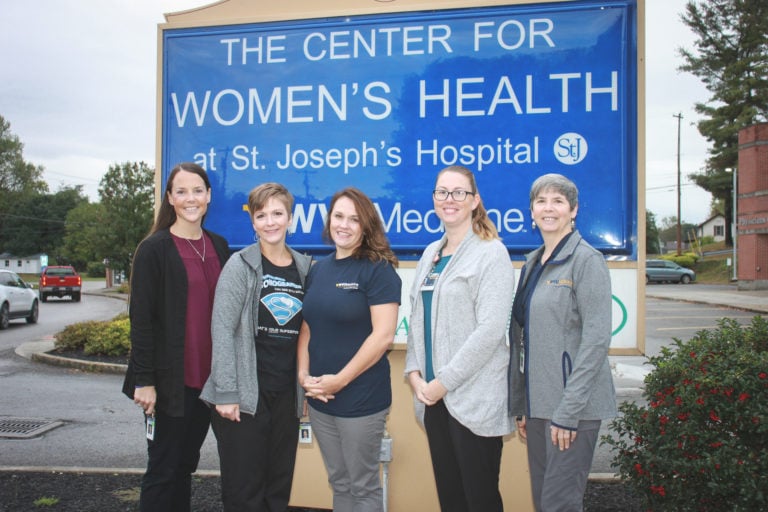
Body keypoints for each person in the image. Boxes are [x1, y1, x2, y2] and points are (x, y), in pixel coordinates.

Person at [405, 165, 515, 512]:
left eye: (458, 193)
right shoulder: (429, 255)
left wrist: (442, 383)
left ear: (475, 201)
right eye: (442, 192)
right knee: (451, 499)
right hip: (433, 401)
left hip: (473, 400)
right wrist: (414, 375)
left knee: (479, 500)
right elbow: (416, 320)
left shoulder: (491, 252)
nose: (448, 200)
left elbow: (491, 331)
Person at [122, 162, 230, 512]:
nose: (190, 198)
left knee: (185, 467)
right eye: (181, 191)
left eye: (197, 190)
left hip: (209, 383)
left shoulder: (218, 246)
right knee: (164, 471)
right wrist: (144, 381)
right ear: (169, 197)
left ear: (209, 195)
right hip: (170, 385)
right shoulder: (154, 249)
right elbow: (141, 321)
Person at [200, 183, 312, 511]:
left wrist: (304, 392)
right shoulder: (240, 265)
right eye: (261, 215)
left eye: (278, 213)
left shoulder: (305, 269)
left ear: (290, 218)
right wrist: (226, 393)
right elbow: (221, 329)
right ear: (253, 222)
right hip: (244, 398)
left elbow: (309, 332)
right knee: (244, 493)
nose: (270, 222)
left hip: (285, 397)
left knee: (279, 490)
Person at [508, 173, 616, 512]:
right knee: (544, 502)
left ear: (573, 210)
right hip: (538, 408)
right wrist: (523, 404)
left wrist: (568, 412)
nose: (548, 208)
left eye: (558, 201)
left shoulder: (587, 260)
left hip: (572, 410)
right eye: (541, 201)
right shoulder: (532, 263)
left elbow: (596, 340)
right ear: (531, 211)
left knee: (560, 504)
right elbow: (524, 338)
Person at [297, 187, 401, 512]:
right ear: (329, 221)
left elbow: (382, 337)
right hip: (321, 400)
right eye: (339, 216)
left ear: (366, 225)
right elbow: (307, 328)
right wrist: (303, 376)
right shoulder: (318, 269)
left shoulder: (378, 270)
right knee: (339, 483)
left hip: (361, 401)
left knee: (363, 487)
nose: (344, 224)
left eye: (354, 219)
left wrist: (339, 380)